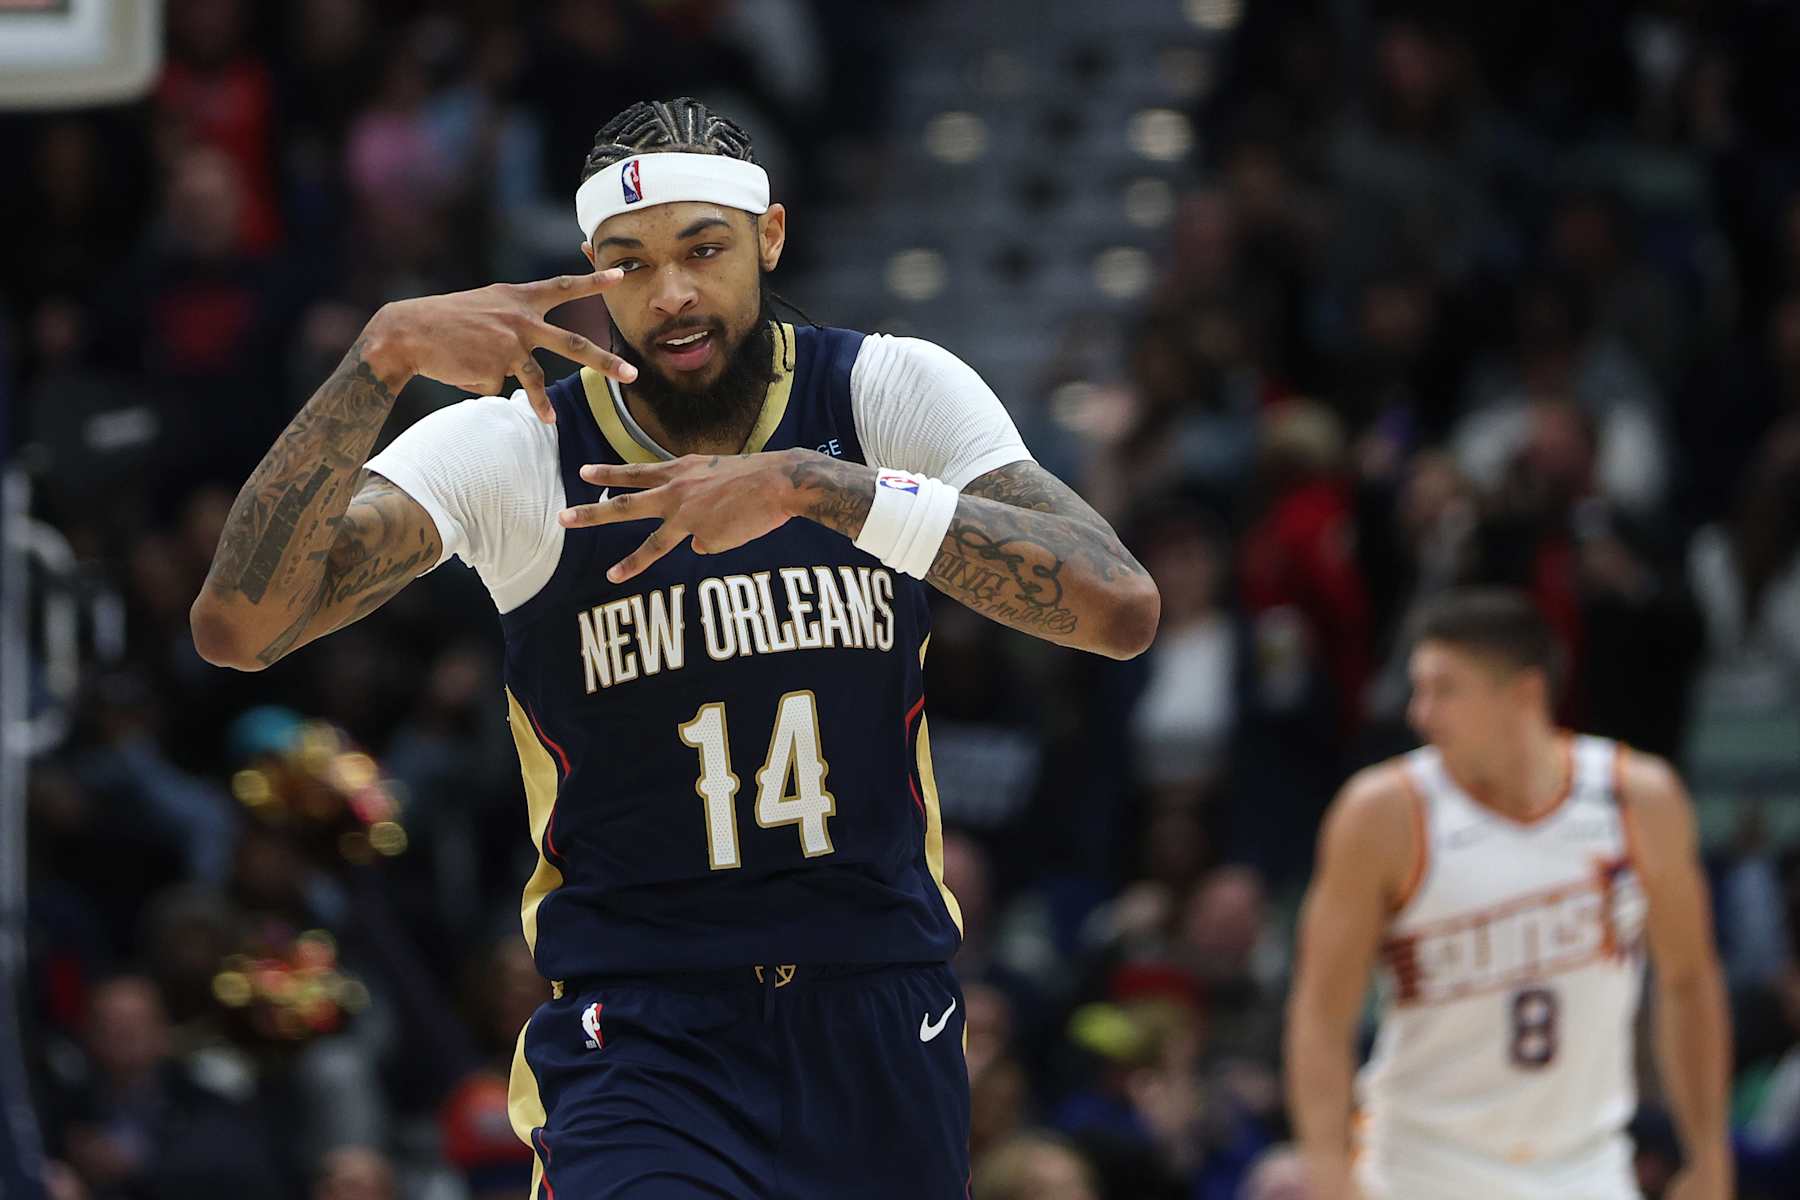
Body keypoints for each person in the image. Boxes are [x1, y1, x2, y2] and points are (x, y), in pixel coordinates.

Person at [189, 96, 1159, 1198]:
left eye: (703, 250)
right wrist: (377, 360)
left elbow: (1119, 607)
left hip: (880, 1009)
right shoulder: (519, 447)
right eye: (629, 263)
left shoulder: (883, 393)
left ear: (770, 237)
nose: (672, 294)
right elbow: (240, 627)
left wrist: (819, 488)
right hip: (642, 1035)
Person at [1284, 588, 1730, 1200]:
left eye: (1445, 690)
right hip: (1418, 1169)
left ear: (1524, 695)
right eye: (1419, 689)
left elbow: (1689, 981)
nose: (1420, 713)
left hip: (1587, 1169)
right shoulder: (1383, 813)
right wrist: (1329, 1171)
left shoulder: (1637, 800)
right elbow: (1321, 1013)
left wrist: (1709, 1153)